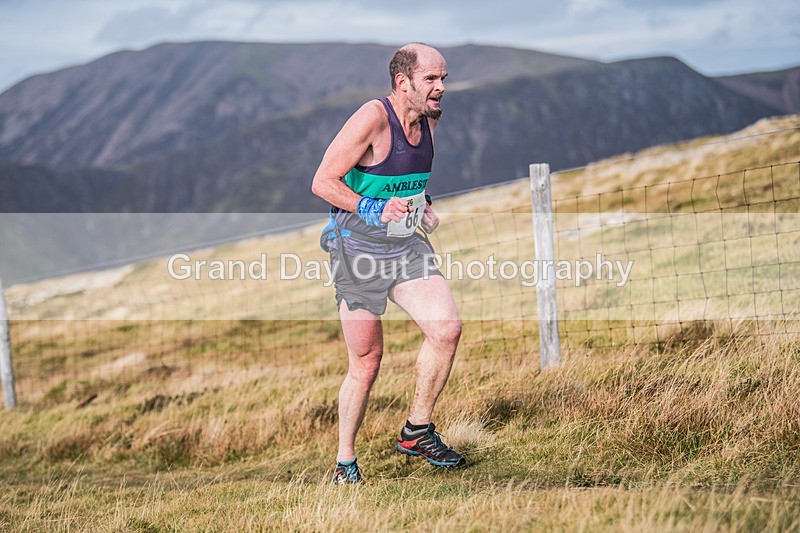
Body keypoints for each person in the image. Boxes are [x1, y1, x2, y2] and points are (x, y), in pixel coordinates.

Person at [311, 43, 465, 484]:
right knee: (367, 361)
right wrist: (373, 208)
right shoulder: (373, 118)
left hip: (403, 248)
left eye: (443, 79)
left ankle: (416, 431)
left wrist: (424, 205)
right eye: (431, 80)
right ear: (404, 82)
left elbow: (406, 181)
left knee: (446, 329)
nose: (440, 89)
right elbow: (323, 181)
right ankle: (345, 463)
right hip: (356, 254)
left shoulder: (430, 119)